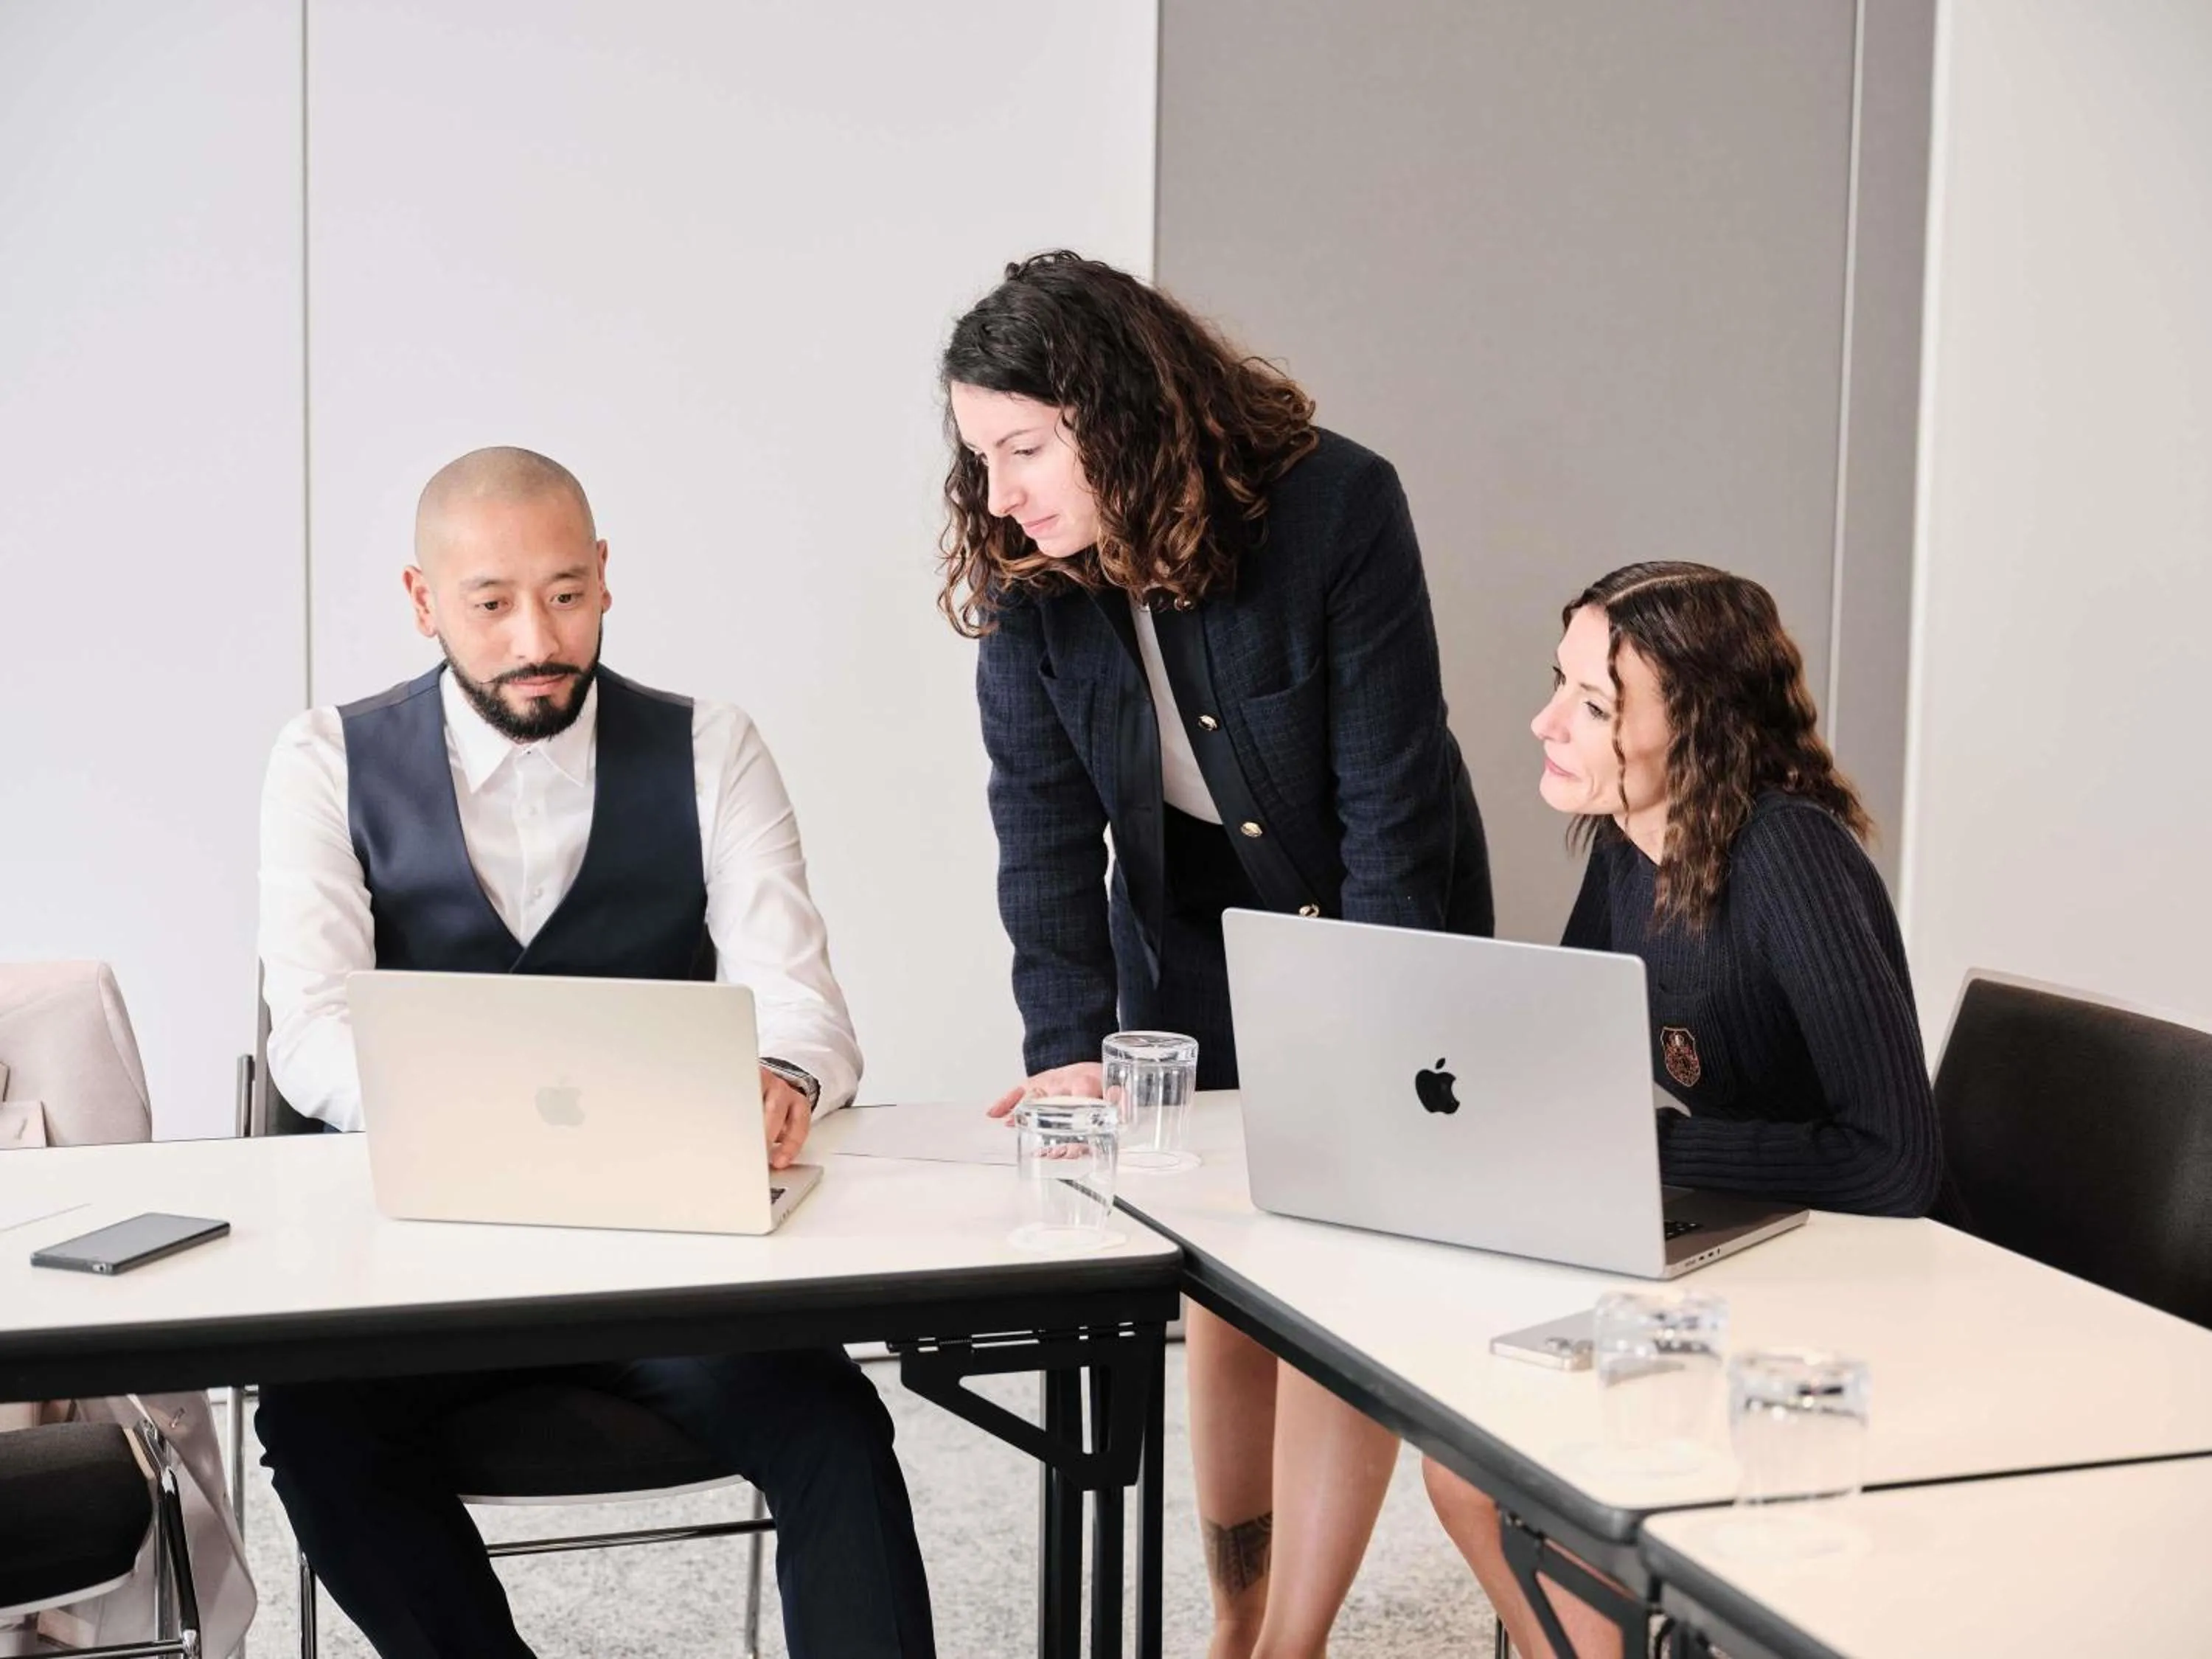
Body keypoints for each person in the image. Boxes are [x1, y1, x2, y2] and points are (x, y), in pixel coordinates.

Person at [254, 446, 934, 1659]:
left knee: (832, 1423)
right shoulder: (322, 759)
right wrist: (449, 1119)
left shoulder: (712, 745)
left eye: (567, 594)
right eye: (493, 602)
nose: (536, 636)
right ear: (423, 601)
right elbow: (304, 1026)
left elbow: (800, 994)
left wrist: (784, 1073)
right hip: (417, 1268)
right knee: (316, 1425)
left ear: (608, 579)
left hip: (656, 1260)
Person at [939, 251, 1494, 1658]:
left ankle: (1291, 1645)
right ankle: (1235, 1623)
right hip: (1190, 951)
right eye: (980, 455)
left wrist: (1373, 1059)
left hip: (1378, 928)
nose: (1001, 493)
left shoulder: (1338, 507)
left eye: (1024, 448)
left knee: (1333, 1281)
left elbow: (1389, 815)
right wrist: (1064, 1046)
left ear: (1115, 413)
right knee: (1224, 1291)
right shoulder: (1028, 575)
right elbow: (1044, 833)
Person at [1422, 560, 1941, 1658]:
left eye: (1595, 704)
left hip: (1842, 1306)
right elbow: (1563, 1061)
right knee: (1462, 1463)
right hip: (1736, 1259)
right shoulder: (1628, 845)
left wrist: (1657, 1146)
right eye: (1560, 684)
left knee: (1514, 1473)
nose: (1546, 721)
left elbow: (1897, 1163)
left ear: (1695, 732)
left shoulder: (1790, 856)